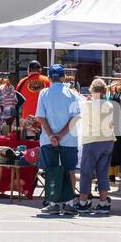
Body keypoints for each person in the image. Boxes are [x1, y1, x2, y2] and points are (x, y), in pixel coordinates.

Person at [36, 63, 81, 216]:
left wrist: (51, 135)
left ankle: (54, 203)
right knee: (70, 170)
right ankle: (69, 204)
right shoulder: (72, 94)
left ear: (49, 78)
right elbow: (75, 118)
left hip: (48, 140)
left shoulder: (44, 93)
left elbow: (41, 117)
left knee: (51, 170)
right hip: (68, 139)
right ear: (63, 77)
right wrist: (61, 135)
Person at [75, 77, 117, 215]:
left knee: (86, 172)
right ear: (104, 91)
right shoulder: (110, 105)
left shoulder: (86, 105)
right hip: (108, 141)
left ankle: (83, 202)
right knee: (103, 172)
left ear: (92, 90)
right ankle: (103, 202)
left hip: (92, 141)